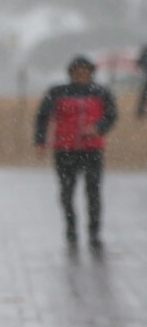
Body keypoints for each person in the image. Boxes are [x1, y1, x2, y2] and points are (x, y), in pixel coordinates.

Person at [34, 55, 117, 248]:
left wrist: (98, 127)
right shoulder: (57, 92)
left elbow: (111, 115)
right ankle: (71, 229)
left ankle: (94, 232)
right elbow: (43, 116)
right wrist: (40, 141)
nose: (81, 75)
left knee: (93, 192)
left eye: (85, 71)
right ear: (70, 73)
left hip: (92, 149)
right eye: (77, 71)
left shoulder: (101, 92)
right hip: (65, 150)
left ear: (91, 73)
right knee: (67, 192)